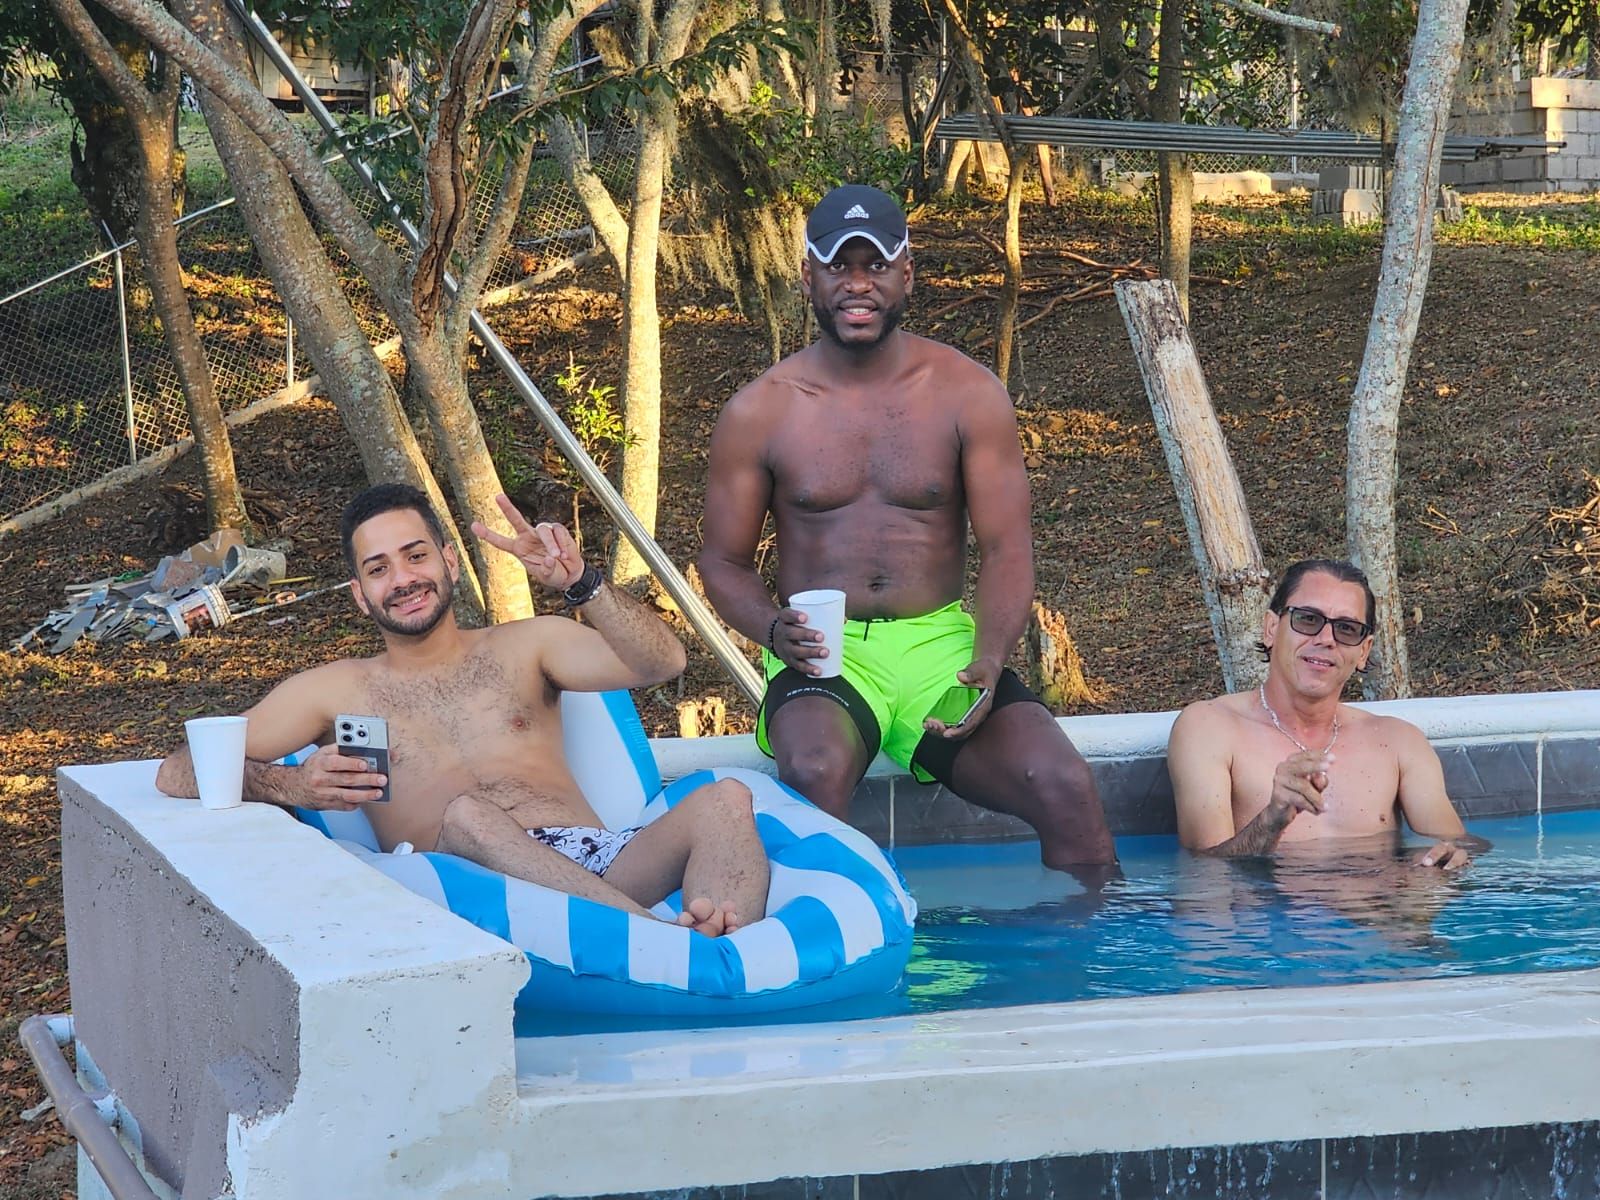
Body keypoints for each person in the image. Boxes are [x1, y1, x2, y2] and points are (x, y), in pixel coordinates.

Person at [696, 183, 1116, 872]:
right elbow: (723, 561)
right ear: (807, 277)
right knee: (814, 769)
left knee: (1065, 784)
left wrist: (990, 657)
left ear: (907, 275)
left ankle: (1097, 940)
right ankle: (836, 933)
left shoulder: (967, 393)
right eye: (838, 265)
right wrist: (773, 630)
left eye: (876, 265)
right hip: (824, 652)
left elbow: (1007, 549)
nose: (857, 284)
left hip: (940, 643)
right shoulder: (760, 411)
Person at [156, 484, 768, 936]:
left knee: (727, 799)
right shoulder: (332, 691)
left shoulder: (526, 646)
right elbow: (177, 771)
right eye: (378, 569)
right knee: (470, 816)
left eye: (415, 555)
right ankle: (659, 942)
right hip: (465, 893)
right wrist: (291, 785)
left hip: (596, 865)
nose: (402, 579)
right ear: (360, 596)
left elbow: (664, 662)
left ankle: (724, 956)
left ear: (449, 561)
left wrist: (581, 582)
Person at [1168, 558, 1490, 869]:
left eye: (1346, 629)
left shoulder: (1399, 743)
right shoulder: (1210, 728)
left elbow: (1459, 849)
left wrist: (1448, 863)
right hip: (1268, 906)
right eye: (1308, 619)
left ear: (1363, 651)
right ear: (1271, 629)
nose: (1326, 640)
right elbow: (1205, 875)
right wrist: (1271, 820)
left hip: (1378, 902)